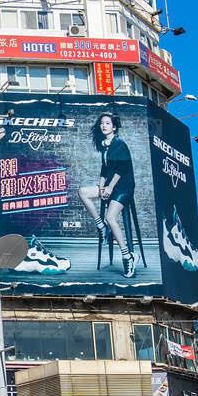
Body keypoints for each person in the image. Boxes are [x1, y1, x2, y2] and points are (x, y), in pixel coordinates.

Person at [78, 110, 138, 279]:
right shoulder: (105, 145)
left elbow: (122, 169)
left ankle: (128, 256)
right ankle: (101, 226)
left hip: (123, 186)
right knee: (83, 192)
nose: (104, 126)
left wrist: (110, 188)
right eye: (102, 123)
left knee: (111, 217)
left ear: (114, 127)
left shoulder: (119, 144)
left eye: (108, 123)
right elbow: (105, 169)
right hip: (110, 186)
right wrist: (102, 187)